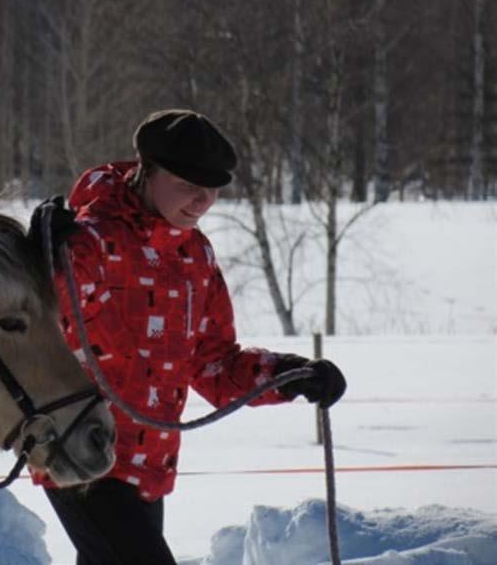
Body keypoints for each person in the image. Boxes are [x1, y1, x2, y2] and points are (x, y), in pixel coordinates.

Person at [29, 109, 347, 565]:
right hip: (80, 453)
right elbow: (35, 316)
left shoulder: (195, 256)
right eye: (187, 186)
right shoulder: (88, 241)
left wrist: (286, 375)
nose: (202, 201)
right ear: (147, 171)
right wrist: (40, 253)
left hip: (149, 465)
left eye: (212, 189)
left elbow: (213, 364)